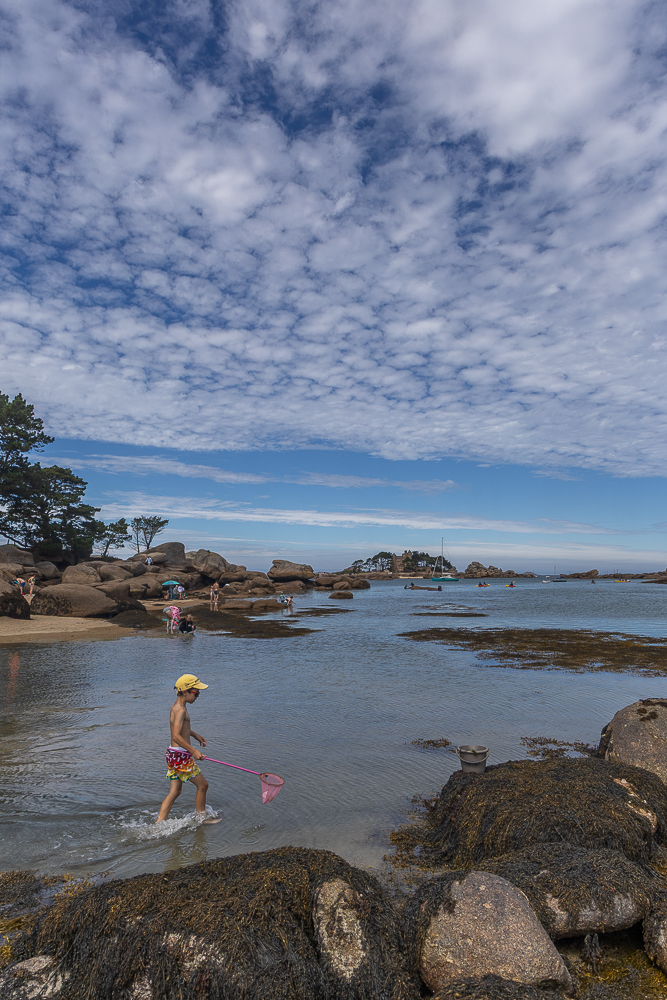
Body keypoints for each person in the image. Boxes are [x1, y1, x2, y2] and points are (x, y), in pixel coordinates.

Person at [157, 674, 210, 823]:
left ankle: (159, 824)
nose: (197, 696)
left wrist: (194, 735)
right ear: (185, 692)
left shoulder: (176, 707)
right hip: (181, 756)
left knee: (175, 791)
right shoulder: (181, 710)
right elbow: (176, 736)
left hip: (173, 754)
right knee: (203, 785)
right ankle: (201, 819)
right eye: (196, 693)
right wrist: (194, 751)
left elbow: (180, 729)